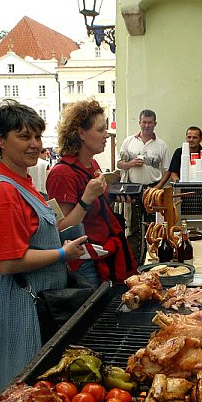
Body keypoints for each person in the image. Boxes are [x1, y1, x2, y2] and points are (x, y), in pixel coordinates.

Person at [0, 100, 87, 402]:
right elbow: (8, 262)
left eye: (37, 137)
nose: (34, 144)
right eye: (24, 137)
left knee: (31, 396)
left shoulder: (22, 181)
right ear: (0, 139)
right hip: (16, 307)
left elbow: (37, 234)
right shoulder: (2, 190)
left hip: (34, 302)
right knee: (12, 399)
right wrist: (62, 254)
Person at [47, 98, 137, 285]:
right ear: (81, 133)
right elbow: (62, 228)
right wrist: (87, 198)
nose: (106, 135)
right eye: (100, 129)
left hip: (105, 254)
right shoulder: (62, 173)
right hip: (86, 264)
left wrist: (112, 198)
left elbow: (96, 212)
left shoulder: (92, 164)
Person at [117, 109, 170, 237]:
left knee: (153, 226)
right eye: (144, 122)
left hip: (153, 189)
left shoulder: (162, 145)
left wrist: (157, 188)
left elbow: (168, 170)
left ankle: (151, 254)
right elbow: (118, 164)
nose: (147, 125)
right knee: (133, 225)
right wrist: (131, 164)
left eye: (150, 122)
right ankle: (136, 256)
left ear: (155, 124)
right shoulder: (128, 142)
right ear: (139, 123)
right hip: (133, 189)